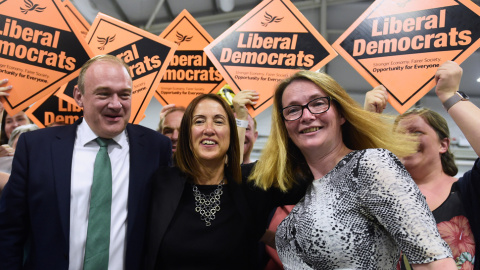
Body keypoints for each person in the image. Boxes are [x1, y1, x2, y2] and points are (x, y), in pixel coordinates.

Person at [248, 70, 456, 269]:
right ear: (284, 125)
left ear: (341, 115)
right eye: (293, 109)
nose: (307, 115)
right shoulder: (305, 187)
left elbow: (433, 261)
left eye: (318, 103)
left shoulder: (371, 165)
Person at [0, 55, 172, 270]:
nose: (116, 104)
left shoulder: (156, 148)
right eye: (104, 94)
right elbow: (10, 229)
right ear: (79, 96)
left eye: (124, 95)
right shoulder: (36, 147)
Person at [143, 93, 307, 270]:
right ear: (187, 134)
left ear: (232, 133)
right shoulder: (161, 182)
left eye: (219, 121)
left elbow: (314, 177)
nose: (209, 129)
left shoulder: (253, 180)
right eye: (199, 121)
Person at [366, 61, 479, 270]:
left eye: (416, 132)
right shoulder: (380, 195)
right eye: (399, 136)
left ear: (443, 144)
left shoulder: (470, 189)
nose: (406, 141)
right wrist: (368, 120)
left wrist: (449, 95)